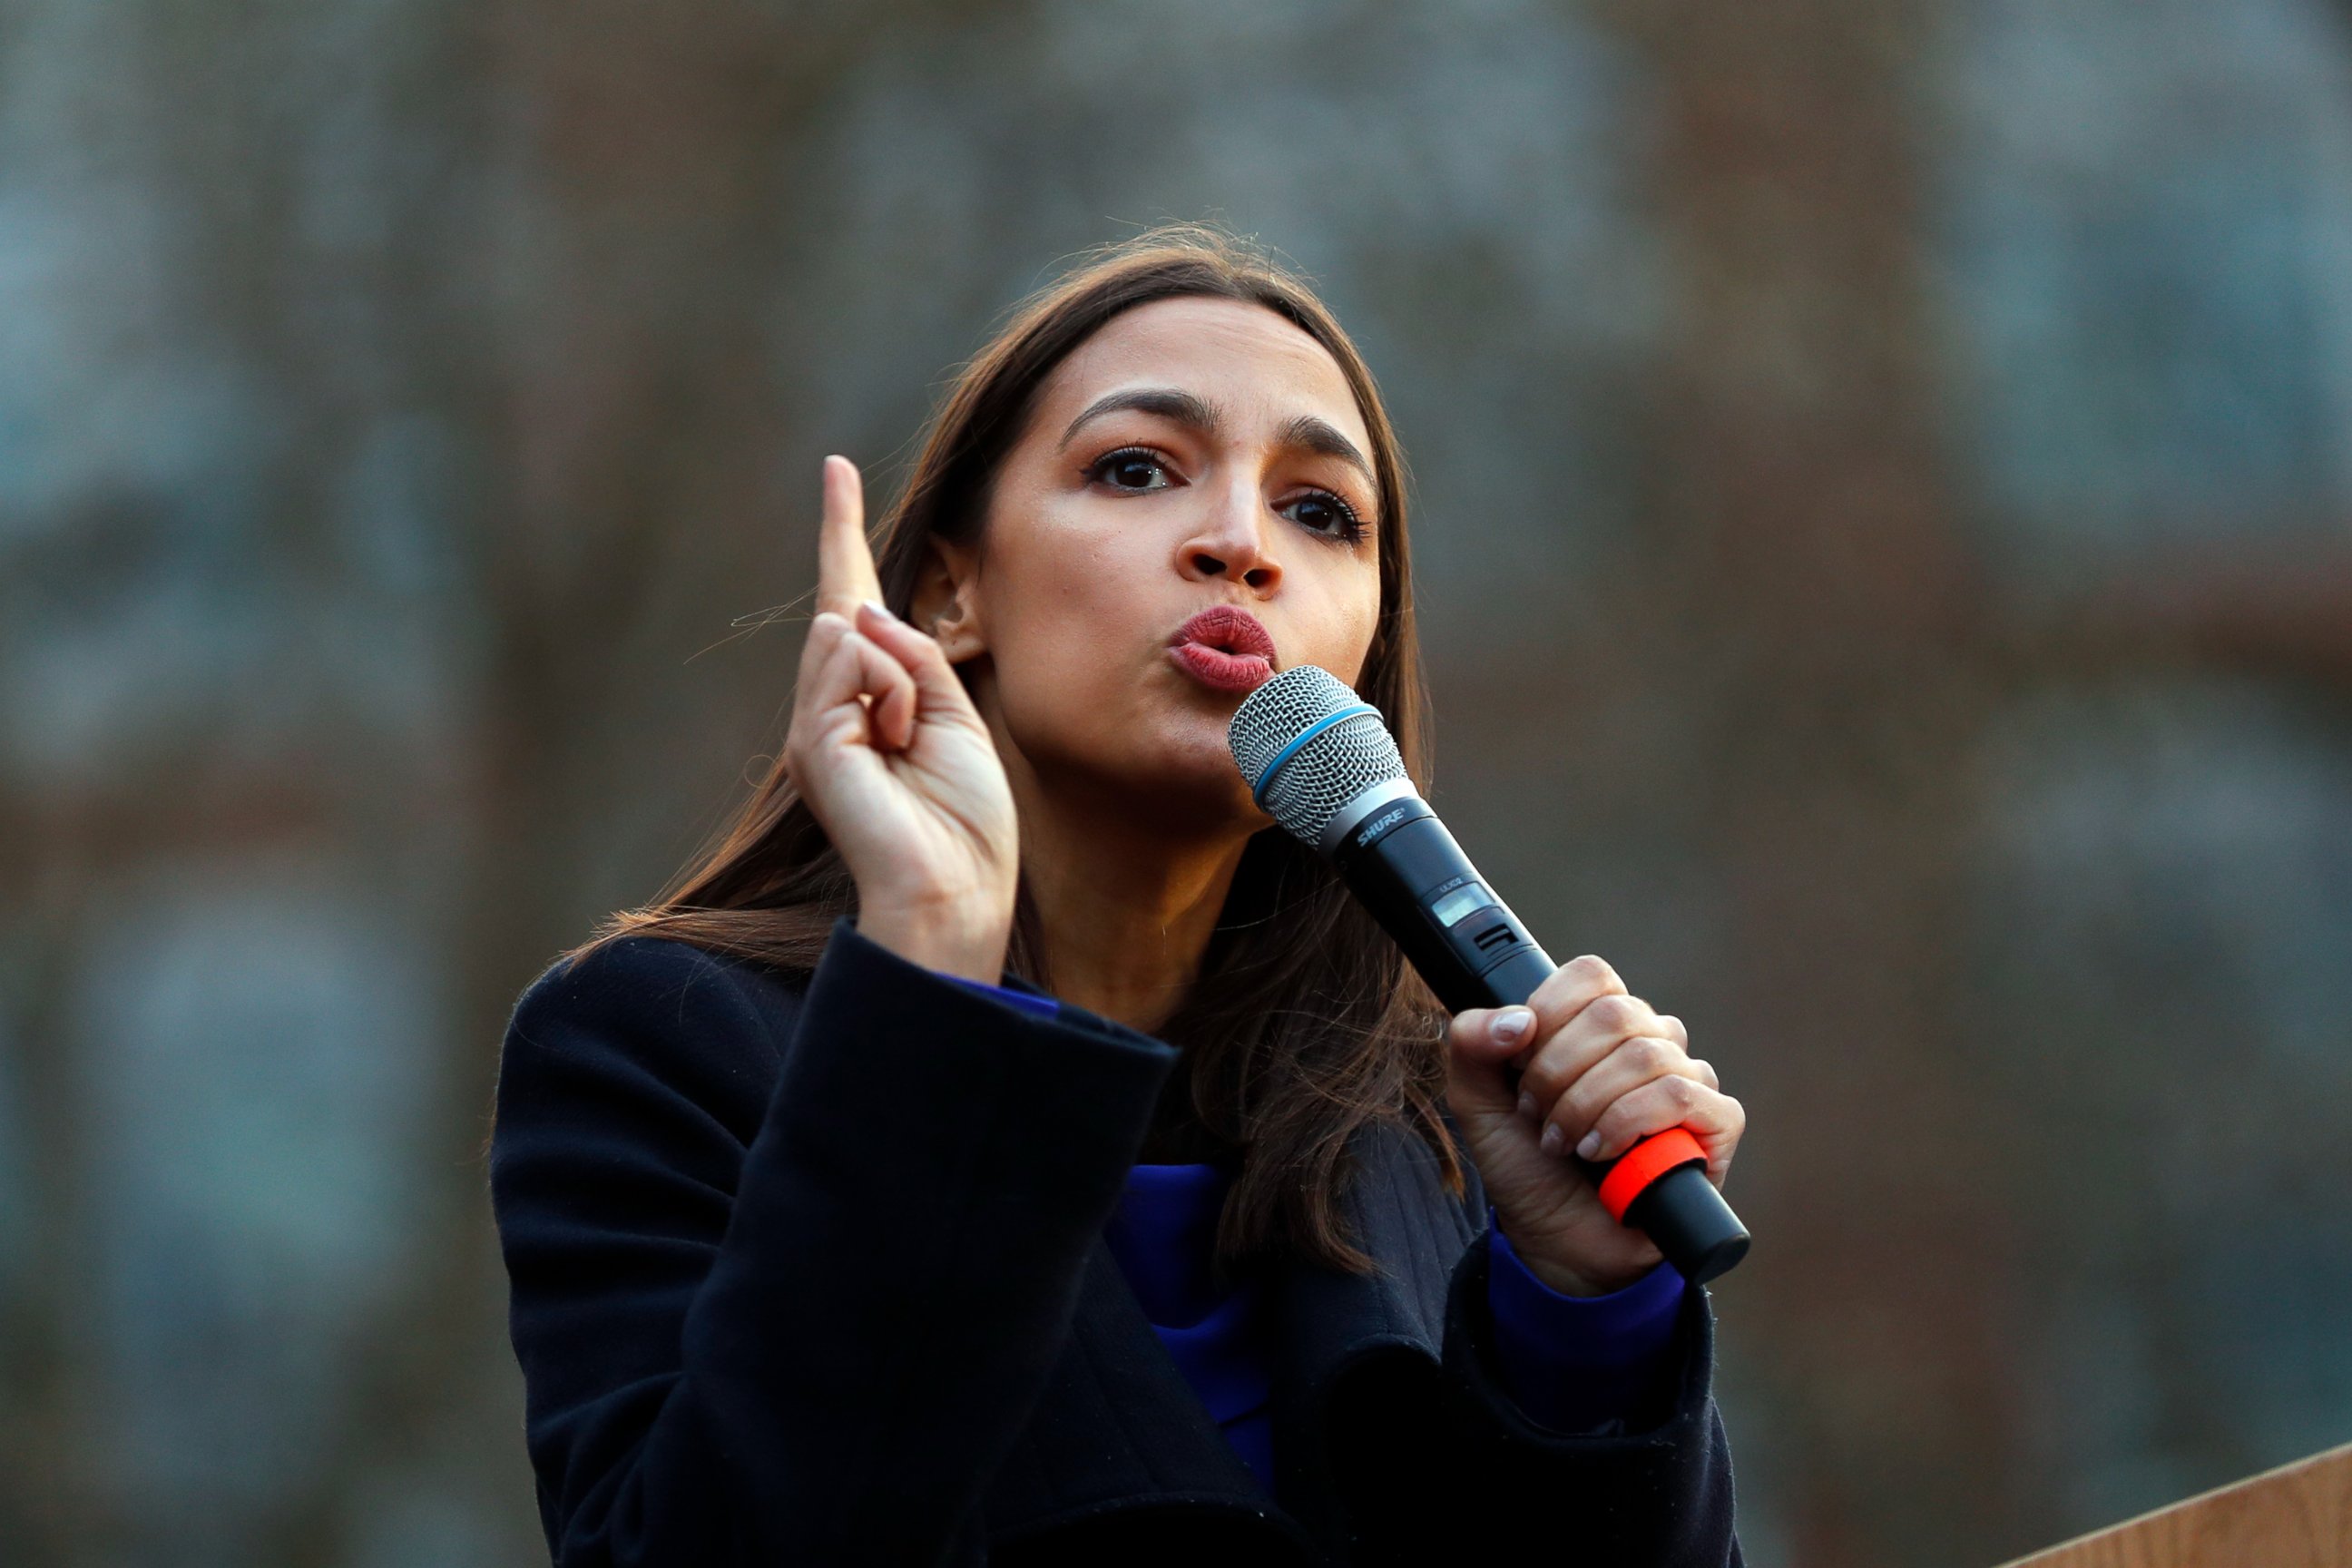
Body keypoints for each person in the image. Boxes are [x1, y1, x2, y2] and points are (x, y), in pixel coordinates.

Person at [490, 225, 1748, 1566]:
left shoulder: (1453, 1117)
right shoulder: (665, 1043)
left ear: (1368, 653)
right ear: (948, 590)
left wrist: (1582, 1312)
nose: (1239, 545)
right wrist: (929, 975)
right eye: (1136, 470)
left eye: (1320, 511)